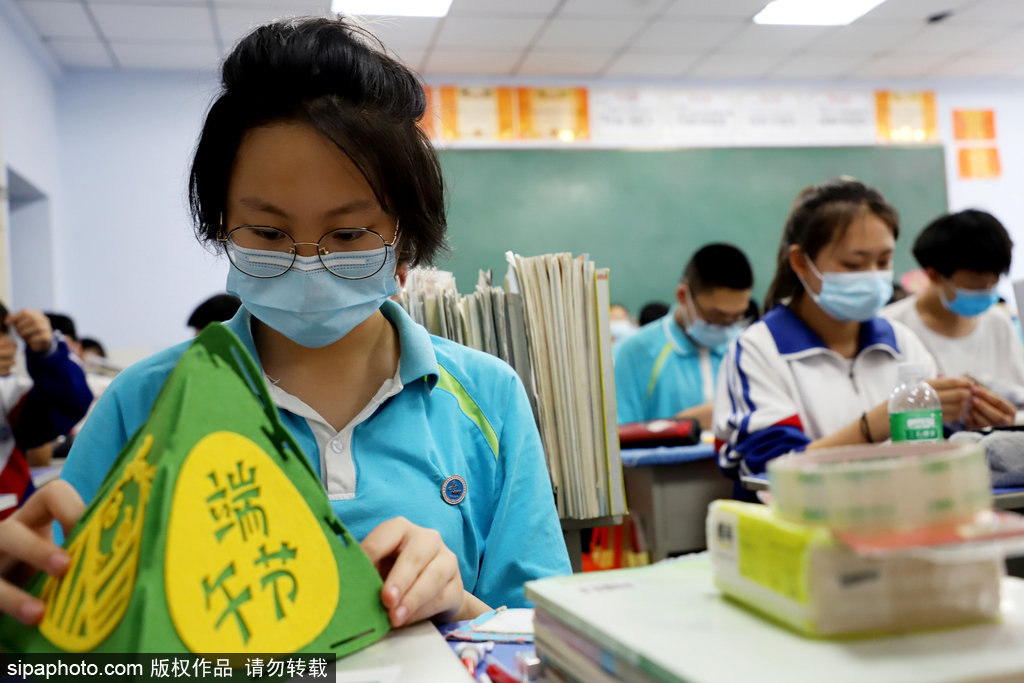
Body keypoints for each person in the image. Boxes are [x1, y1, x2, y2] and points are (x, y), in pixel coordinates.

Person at [0, 17, 569, 628]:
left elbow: (546, 639)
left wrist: (459, 603)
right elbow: (68, 628)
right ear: (221, 223)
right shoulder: (145, 400)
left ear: (406, 236)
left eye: (349, 234)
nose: (308, 263)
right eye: (269, 233)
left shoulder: (488, 397)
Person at [714, 179, 1015, 492]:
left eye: (883, 261)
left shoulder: (901, 343)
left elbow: (931, 449)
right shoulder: (759, 350)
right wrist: (875, 424)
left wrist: (967, 417)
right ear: (802, 263)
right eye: (853, 263)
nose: (873, 275)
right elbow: (771, 474)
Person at [882, 210, 1024, 406]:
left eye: (994, 282)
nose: (988, 292)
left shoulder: (1000, 324)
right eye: (977, 283)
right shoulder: (893, 328)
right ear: (933, 274)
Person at [614, 244, 753, 428]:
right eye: (716, 316)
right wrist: (682, 424)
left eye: (737, 316)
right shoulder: (634, 352)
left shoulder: (746, 347)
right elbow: (621, 436)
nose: (727, 327)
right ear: (682, 296)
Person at [0, 304, 92, 505]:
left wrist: (46, 352)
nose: (9, 345)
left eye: (5, 333)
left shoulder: (8, 393)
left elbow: (69, 404)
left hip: (18, 522)